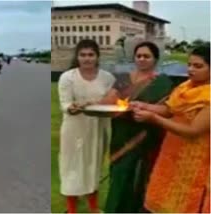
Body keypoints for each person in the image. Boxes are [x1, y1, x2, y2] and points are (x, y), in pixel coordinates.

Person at [132, 44, 210, 213]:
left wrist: (153, 118)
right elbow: (169, 110)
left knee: (185, 202)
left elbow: (193, 131)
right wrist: (145, 106)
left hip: (194, 161)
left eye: (198, 66)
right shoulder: (185, 87)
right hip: (171, 154)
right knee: (159, 198)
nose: (191, 69)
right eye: (189, 64)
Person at [104, 41, 174, 213]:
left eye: (147, 56)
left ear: (155, 59)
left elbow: (168, 110)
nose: (142, 59)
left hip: (146, 135)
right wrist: (91, 105)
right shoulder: (123, 79)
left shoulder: (162, 82)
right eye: (139, 56)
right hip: (121, 135)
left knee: (140, 177)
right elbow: (107, 102)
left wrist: (144, 108)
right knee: (119, 177)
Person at [58, 39, 116, 213]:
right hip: (74, 128)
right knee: (72, 167)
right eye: (83, 55)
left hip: (98, 128)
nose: (87, 59)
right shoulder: (68, 77)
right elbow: (65, 104)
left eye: (91, 54)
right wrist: (74, 108)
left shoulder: (107, 78)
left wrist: (94, 104)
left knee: (94, 165)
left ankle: (93, 208)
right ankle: (72, 209)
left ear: (97, 56)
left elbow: (112, 102)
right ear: (77, 57)